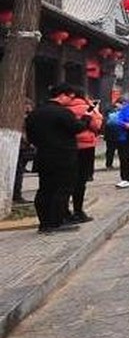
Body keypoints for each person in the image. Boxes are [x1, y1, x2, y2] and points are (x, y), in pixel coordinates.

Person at [25, 84, 85, 234]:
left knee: (45, 189)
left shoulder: (35, 113)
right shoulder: (63, 112)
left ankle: (44, 223)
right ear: (62, 95)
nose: (70, 101)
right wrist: (86, 120)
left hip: (43, 156)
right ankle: (56, 221)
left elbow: (30, 137)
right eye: (70, 97)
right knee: (63, 189)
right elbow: (76, 128)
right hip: (64, 157)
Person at [65, 91, 103, 224]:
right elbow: (96, 126)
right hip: (86, 147)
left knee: (68, 180)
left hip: (68, 147)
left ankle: (65, 211)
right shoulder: (88, 108)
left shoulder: (64, 108)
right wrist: (96, 112)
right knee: (81, 181)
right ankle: (78, 211)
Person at [12, 99, 35, 205]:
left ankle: (16, 193)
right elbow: (23, 134)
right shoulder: (20, 118)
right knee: (18, 172)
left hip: (21, 147)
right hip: (20, 147)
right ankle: (16, 195)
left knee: (19, 172)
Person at [103, 98, 125, 172]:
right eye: (122, 104)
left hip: (120, 134)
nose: (123, 106)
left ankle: (124, 163)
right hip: (111, 134)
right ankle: (109, 165)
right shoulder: (110, 110)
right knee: (110, 151)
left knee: (123, 151)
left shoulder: (123, 111)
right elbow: (106, 121)